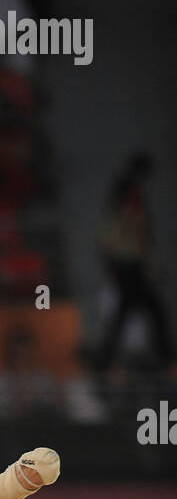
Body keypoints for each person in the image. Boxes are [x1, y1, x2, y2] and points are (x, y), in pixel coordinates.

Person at [94, 153, 173, 375]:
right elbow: (129, 236)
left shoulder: (126, 196)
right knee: (151, 309)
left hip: (127, 263)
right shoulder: (128, 197)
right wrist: (150, 265)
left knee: (134, 312)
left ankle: (106, 358)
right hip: (127, 264)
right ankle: (165, 357)